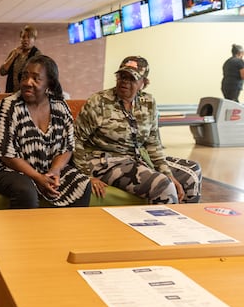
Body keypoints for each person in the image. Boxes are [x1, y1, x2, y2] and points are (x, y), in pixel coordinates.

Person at [73, 56, 202, 204]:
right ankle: (163, 226)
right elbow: (76, 139)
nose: (124, 82)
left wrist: (166, 172)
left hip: (136, 157)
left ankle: (184, 223)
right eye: (122, 76)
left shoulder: (148, 102)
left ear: (144, 83)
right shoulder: (99, 101)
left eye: (132, 78)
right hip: (103, 160)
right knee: (163, 185)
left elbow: (153, 143)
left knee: (192, 173)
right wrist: (86, 175)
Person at [0, 55, 91, 209]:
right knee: (25, 191)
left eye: (36, 78)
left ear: (49, 84)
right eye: (25, 76)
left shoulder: (60, 106)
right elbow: (7, 155)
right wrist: (38, 177)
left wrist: (55, 171)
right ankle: (24, 233)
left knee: (82, 184)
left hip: (46, 166)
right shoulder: (9, 106)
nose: (27, 83)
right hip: (6, 167)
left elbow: (67, 147)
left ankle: (63, 231)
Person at [0, 25, 41, 93]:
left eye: (29, 37)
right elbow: (2, 72)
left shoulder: (37, 55)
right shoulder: (14, 52)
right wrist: (13, 56)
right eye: (23, 37)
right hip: (11, 93)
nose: (25, 39)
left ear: (34, 39)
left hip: (28, 93)